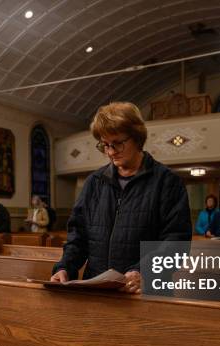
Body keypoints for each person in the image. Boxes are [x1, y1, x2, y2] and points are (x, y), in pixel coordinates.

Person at [51, 102, 191, 293]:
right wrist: (65, 267)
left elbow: (176, 242)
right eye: (105, 145)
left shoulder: (167, 182)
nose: (110, 152)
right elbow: (78, 236)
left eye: (117, 143)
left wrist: (143, 272)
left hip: (145, 292)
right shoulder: (94, 182)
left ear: (137, 138)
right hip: (97, 291)